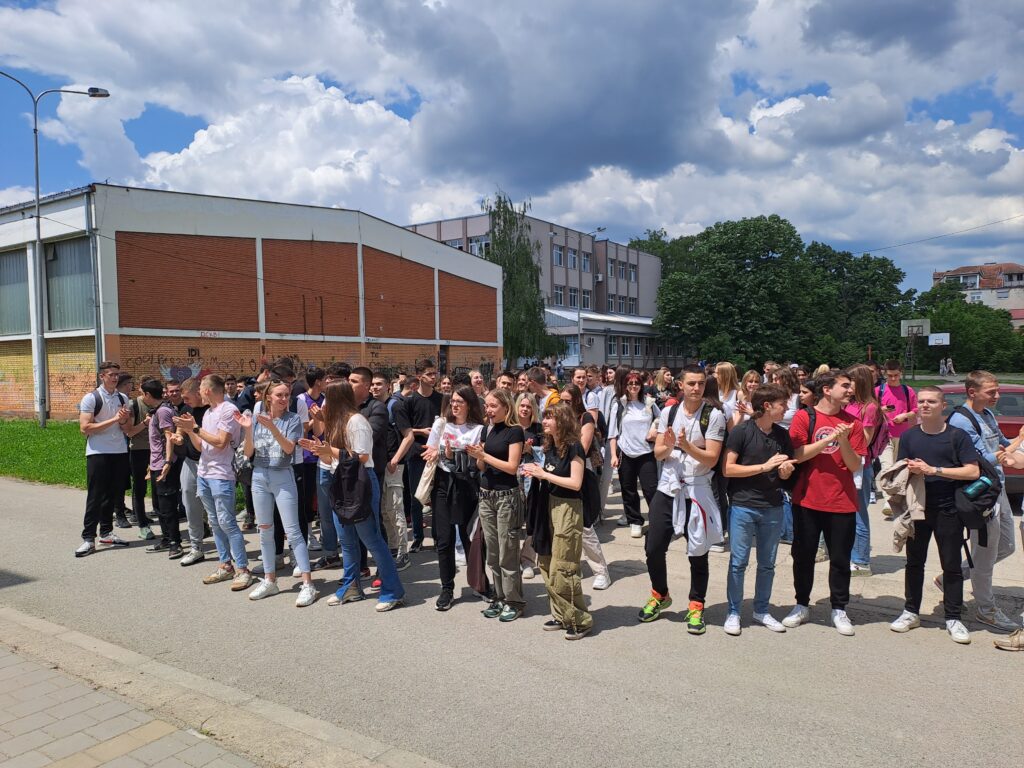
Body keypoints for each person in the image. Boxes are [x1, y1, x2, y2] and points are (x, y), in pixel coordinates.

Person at [889, 386, 980, 644]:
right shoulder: (909, 437)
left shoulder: (957, 436)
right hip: (917, 509)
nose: (925, 405)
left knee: (951, 566)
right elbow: (901, 470)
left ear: (943, 406)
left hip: (948, 509)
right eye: (921, 401)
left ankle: (953, 617)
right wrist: (909, 470)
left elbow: (972, 472)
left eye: (931, 401)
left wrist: (934, 470)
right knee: (914, 563)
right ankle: (910, 611)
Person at [638, 365, 725, 633]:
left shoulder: (714, 416)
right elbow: (658, 453)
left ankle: (696, 605)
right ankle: (660, 594)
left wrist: (686, 447)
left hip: (697, 489)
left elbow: (711, 458)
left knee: (697, 551)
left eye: (700, 383)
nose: (696, 388)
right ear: (681, 385)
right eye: (691, 384)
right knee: (653, 547)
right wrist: (671, 445)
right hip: (669, 487)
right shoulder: (669, 412)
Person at [304, 382, 405, 612]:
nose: (323, 404)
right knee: (347, 542)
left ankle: (393, 590)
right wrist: (322, 451)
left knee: (372, 539)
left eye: (327, 399)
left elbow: (361, 456)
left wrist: (330, 451)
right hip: (340, 481)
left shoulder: (357, 422)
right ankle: (351, 587)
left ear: (337, 400)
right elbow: (333, 460)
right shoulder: (337, 423)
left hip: (360, 482)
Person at [783, 371, 867, 636]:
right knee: (803, 556)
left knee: (840, 559)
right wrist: (829, 439)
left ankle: (838, 608)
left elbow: (854, 465)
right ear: (827, 390)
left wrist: (843, 441)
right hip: (807, 498)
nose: (850, 390)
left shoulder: (853, 423)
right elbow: (797, 455)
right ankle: (801, 604)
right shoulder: (804, 416)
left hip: (842, 501)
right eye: (845, 386)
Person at [943, 371, 1020, 632]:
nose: (997, 396)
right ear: (972, 392)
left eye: (997, 391)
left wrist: (1013, 447)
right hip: (981, 495)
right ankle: (986, 610)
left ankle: (950, 577)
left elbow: (1002, 445)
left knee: (1007, 546)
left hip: (998, 489)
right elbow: (984, 460)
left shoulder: (986, 414)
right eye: (991, 392)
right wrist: (1020, 439)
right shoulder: (961, 422)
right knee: (985, 555)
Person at [234, 380, 317, 606]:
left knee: (293, 531)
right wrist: (248, 429)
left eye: (286, 395)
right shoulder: (258, 418)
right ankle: (270, 579)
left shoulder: (292, 420)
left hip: (283, 475)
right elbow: (249, 452)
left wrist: (272, 427)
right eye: (279, 395)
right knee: (265, 530)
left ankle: (308, 584)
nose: (284, 399)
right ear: (268, 397)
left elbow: (289, 449)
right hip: (260, 475)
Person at [722, 384, 795, 634]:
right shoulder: (742, 432)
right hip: (743, 505)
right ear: (767, 406)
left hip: (773, 507)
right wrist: (764, 467)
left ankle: (761, 610)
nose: (786, 408)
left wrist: (785, 472)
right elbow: (728, 469)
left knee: (767, 564)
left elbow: (786, 474)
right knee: (738, 562)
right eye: (782, 404)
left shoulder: (782, 436)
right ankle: (733, 612)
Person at [522, 402, 593, 640]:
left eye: (549, 418)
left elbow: (576, 483)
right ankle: (561, 614)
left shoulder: (574, 447)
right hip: (549, 505)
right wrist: (536, 470)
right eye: (544, 418)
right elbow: (552, 475)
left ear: (561, 420)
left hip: (568, 508)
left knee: (563, 566)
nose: (544, 422)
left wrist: (544, 474)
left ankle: (579, 620)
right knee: (546, 561)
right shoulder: (551, 446)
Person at [174, 375, 251, 591]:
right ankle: (225, 565)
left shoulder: (228, 409)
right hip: (204, 473)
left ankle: (243, 570)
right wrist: (189, 430)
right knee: (215, 522)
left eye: (200, 388)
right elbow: (201, 447)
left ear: (208, 390)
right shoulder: (208, 412)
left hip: (221, 474)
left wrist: (195, 429)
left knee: (227, 522)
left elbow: (220, 442)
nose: (198, 393)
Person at [423, 385, 486, 610]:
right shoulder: (441, 425)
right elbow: (429, 451)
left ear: (469, 404)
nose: (455, 405)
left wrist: (452, 454)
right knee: (444, 538)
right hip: (443, 483)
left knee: (470, 536)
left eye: (460, 401)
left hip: (467, 486)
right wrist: (441, 453)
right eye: (453, 401)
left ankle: (479, 583)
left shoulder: (478, 429)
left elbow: (478, 461)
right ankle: (447, 588)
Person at [469, 389, 526, 622]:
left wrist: (485, 456)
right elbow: (482, 467)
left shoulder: (515, 432)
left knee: (507, 551)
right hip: (486, 494)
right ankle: (500, 597)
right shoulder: (486, 429)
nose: (489, 410)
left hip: (506, 497)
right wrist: (478, 457)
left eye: (493, 406)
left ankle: (515, 601)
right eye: (487, 406)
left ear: (506, 407)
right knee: (492, 552)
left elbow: (512, 467)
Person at [75, 362, 133, 557]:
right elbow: (85, 429)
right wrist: (115, 419)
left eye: (117, 375)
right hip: (98, 452)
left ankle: (106, 532)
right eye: (111, 375)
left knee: (113, 494)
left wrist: (123, 419)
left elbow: (127, 429)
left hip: (119, 451)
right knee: (96, 496)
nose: (115, 378)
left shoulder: (123, 397)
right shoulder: (91, 398)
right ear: (102, 377)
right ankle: (88, 538)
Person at [559, 385, 612, 590]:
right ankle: (571, 567)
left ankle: (601, 571)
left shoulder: (585, 419)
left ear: (576, 400)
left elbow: (583, 448)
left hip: (582, 474)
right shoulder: (560, 418)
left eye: (568, 401)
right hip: (561, 474)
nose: (564, 405)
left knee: (585, 526)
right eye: (561, 401)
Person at [844, 364, 886, 575]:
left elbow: (865, 440)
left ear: (859, 382)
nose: (845, 387)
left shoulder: (869, 407)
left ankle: (861, 561)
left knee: (859, 513)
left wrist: (843, 441)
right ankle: (851, 554)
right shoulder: (849, 403)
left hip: (861, 464)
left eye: (848, 382)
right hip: (846, 462)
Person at [607, 370, 660, 538]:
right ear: (625, 386)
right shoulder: (620, 405)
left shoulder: (649, 403)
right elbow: (613, 433)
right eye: (630, 384)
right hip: (626, 452)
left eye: (637, 383)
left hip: (646, 452)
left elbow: (662, 420)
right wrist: (614, 455)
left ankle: (657, 520)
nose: (634, 386)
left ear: (641, 385)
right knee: (628, 489)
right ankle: (635, 521)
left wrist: (654, 429)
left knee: (650, 489)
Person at [141, 379, 183, 558]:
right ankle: (166, 538)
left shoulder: (164, 411)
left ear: (148, 395)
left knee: (168, 505)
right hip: (156, 463)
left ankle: (175, 542)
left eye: (143, 394)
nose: (142, 397)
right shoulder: (159, 411)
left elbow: (169, 437)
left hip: (165, 464)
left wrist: (167, 463)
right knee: (159, 505)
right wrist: (152, 465)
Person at [404, 358, 443, 553]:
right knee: (416, 498)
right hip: (416, 454)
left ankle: (437, 537)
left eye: (435, 373)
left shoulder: (441, 399)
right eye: (429, 374)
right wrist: (421, 431)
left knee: (436, 498)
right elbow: (405, 429)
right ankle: (418, 537)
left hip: (437, 454)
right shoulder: (410, 400)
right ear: (419, 376)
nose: (433, 377)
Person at [875, 360, 918, 518]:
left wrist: (905, 415)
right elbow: (870, 411)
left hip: (903, 435)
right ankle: (888, 501)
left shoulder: (908, 391)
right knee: (887, 467)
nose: (893, 379)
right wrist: (882, 410)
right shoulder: (878, 390)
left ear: (900, 374)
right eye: (890, 376)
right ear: (885, 374)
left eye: (896, 375)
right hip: (884, 435)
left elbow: (915, 409)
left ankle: (897, 498)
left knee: (898, 469)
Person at [174, 378, 208, 566]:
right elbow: (180, 430)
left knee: (215, 508)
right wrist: (178, 437)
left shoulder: (211, 411)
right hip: (189, 462)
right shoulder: (186, 410)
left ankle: (226, 548)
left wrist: (192, 430)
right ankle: (196, 547)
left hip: (210, 463)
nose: (185, 402)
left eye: (187, 398)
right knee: (190, 503)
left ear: (198, 393)